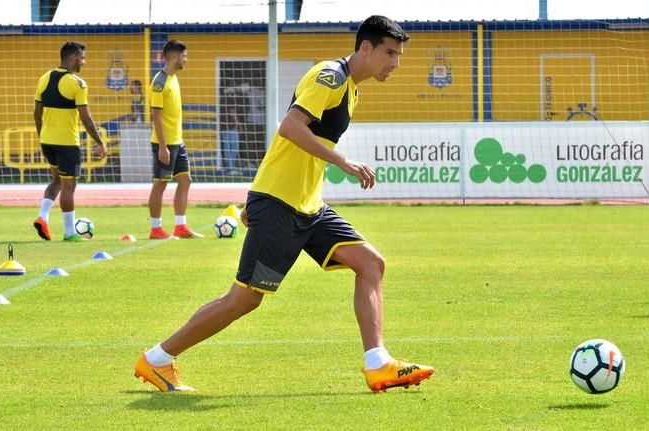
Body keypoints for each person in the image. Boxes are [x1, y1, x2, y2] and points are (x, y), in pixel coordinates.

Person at [134, 16, 434, 393]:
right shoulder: (331, 76)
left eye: (399, 55)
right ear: (365, 48)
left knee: (371, 263)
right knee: (243, 299)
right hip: (280, 205)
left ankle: (378, 364)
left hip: (307, 207)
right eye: (389, 53)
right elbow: (290, 128)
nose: (395, 63)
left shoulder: (352, 88)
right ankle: (157, 359)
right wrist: (340, 162)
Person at [33, 41, 107, 242]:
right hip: (67, 143)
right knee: (69, 186)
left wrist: (42, 136)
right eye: (82, 57)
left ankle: (43, 216)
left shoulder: (44, 78)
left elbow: (36, 113)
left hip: (47, 140)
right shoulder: (77, 83)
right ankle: (69, 232)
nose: (84, 61)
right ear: (73, 58)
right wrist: (100, 142)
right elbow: (86, 118)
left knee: (57, 180)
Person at [146, 40, 202, 239]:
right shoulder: (160, 82)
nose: (186, 59)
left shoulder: (173, 78)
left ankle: (180, 226)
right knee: (160, 183)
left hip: (177, 141)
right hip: (165, 143)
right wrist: (162, 146)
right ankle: (155, 228)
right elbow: (156, 115)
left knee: (185, 180)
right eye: (184, 56)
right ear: (174, 57)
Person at [219, 89, 244, 175]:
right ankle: (231, 168)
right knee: (234, 148)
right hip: (231, 127)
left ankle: (229, 168)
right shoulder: (230, 99)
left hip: (223, 127)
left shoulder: (221, 100)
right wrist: (240, 126)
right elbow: (233, 113)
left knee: (226, 148)